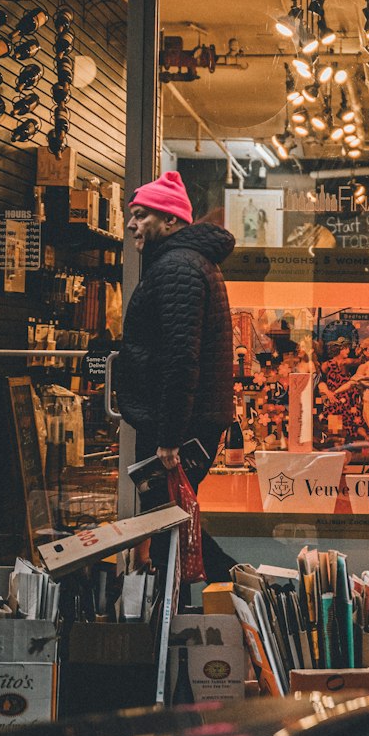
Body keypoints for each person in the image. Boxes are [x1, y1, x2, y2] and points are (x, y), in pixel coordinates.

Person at [116, 170, 236, 583]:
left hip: (178, 428)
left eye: (141, 214)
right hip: (180, 422)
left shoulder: (177, 268)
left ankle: (243, 589)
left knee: (167, 526)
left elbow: (181, 358)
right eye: (131, 215)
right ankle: (236, 593)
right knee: (170, 522)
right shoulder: (182, 264)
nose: (132, 224)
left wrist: (169, 435)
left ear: (170, 221)